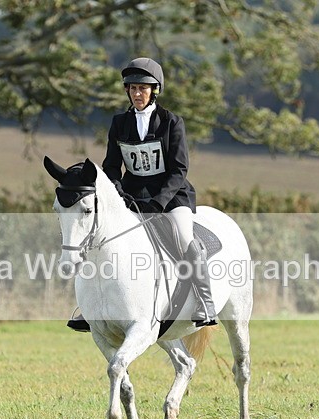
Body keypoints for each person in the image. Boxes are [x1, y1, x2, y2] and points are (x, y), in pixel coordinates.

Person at [67, 57, 218, 332]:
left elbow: (179, 168)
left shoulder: (172, 122)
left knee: (185, 239)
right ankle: (90, 308)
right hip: (133, 196)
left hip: (171, 197)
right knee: (100, 236)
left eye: (143, 88)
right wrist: (119, 191)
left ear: (154, 91)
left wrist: (159, 202)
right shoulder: (119, 123)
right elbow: (112, 165)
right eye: (133, 88)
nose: (137, 93)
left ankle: (204, 302)